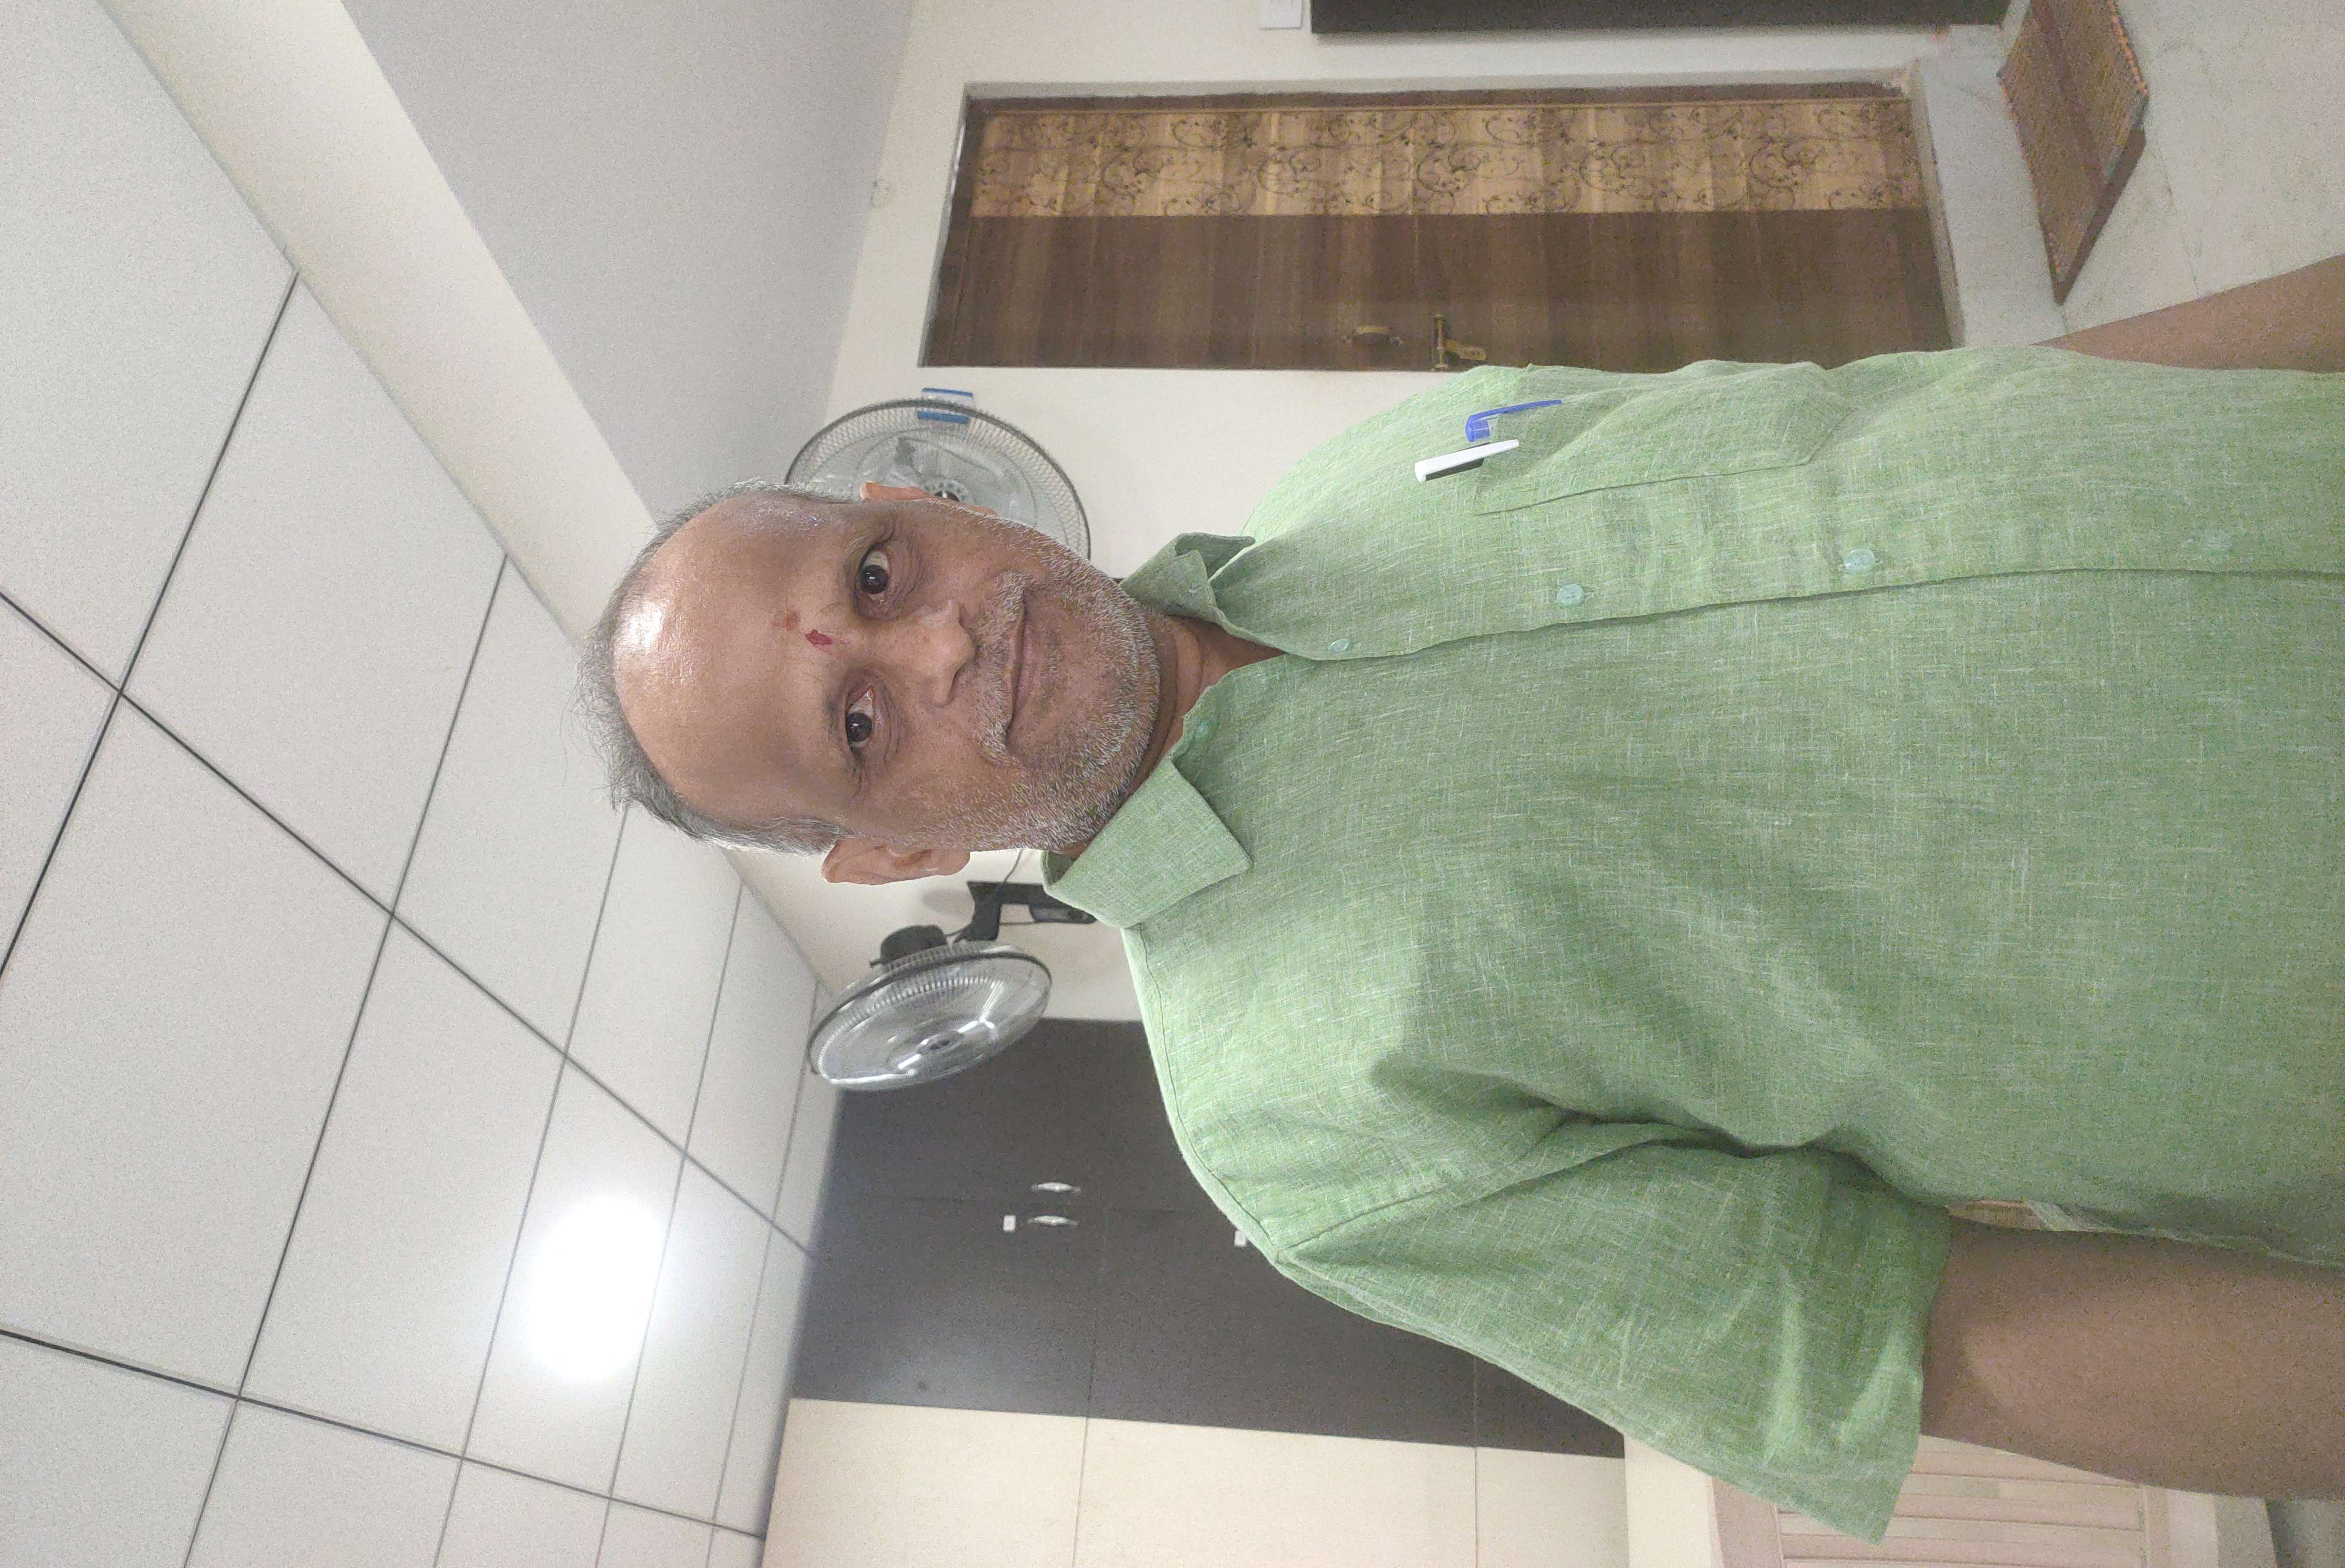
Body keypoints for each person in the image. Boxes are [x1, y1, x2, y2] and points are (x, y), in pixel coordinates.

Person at [579, 256, 2345, 1540]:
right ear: (887, 857)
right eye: (862, 723)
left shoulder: (1389, 458)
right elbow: (1921, 1337)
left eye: (877, 576)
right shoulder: (1300, 1134)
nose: (940, 643)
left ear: (910, 500)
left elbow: (1937, 412)